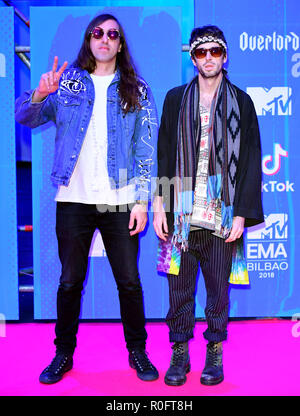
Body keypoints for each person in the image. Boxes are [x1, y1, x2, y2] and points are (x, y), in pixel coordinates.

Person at [15, 13, 159, 384]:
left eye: (113, 34)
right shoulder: (66, 84)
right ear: (88, 40)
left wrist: (141, 201)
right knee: (69, 282)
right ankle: (63, 355)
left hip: (120, 200)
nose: (105, 39)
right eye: (98, 33)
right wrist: (39, 94)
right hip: (73, 199)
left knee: (128, 281)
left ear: (120, 43)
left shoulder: (136, 89)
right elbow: (24, 116)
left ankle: (138, 351)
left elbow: (146, 151)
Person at [153, 25, 264, 386]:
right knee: (179, 290)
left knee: (218, 291)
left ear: (225, 55)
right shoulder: (174, 99)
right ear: (193, 58)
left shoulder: (242, 103)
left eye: (215, 51)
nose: (209, 58)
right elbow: (164, 154)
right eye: (202, 52)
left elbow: (250, 160)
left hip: (222, 214)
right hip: (181, 214)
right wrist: (159, 204)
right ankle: (180, 353)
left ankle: (214, 353)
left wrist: (243, 214)